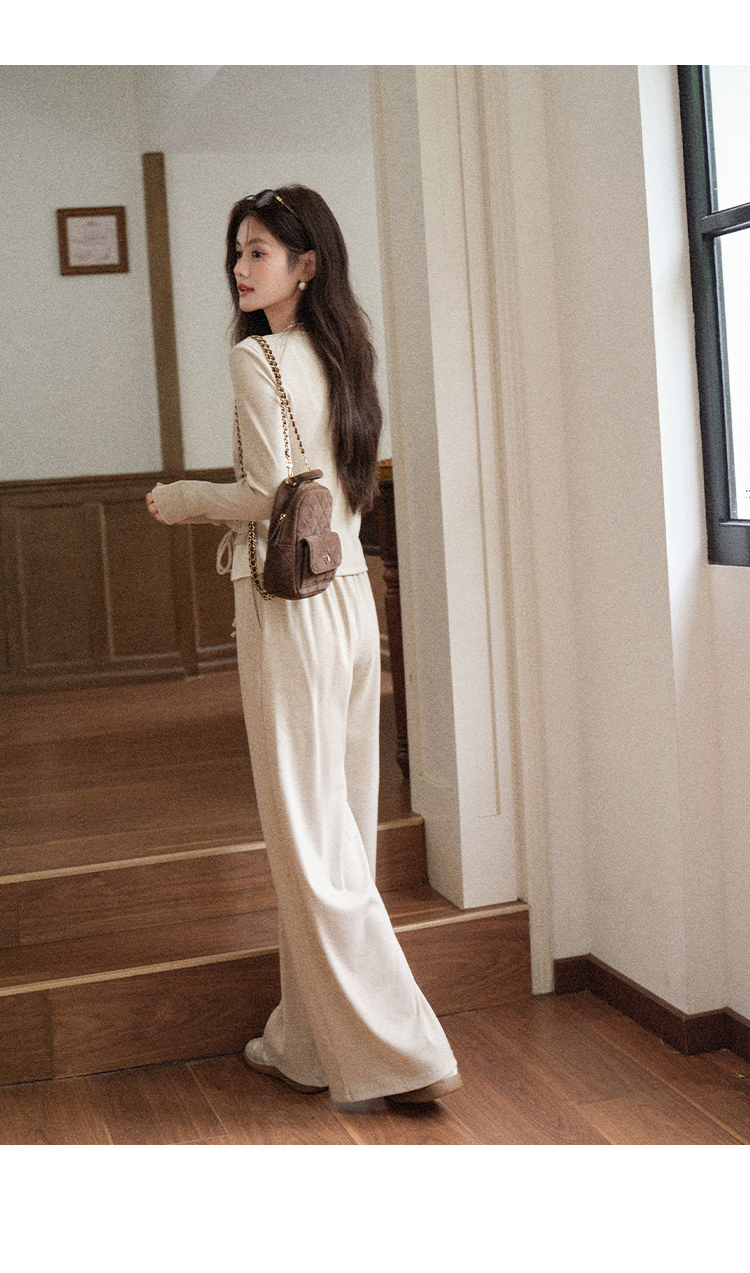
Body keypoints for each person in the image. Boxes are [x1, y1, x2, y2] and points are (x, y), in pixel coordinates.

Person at [147, 185, 461, 1105]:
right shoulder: (347, 352)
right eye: (238, 251)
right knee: (339, 834)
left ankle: (407, 1050)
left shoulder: (258, 358)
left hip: (288, 608)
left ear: (305, 264)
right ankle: (306, 1042)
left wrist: (183, 498)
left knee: (311, 845)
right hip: (354, 600)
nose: (240, 268)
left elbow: (268, 491)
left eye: (258, 252)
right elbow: (336, 484)